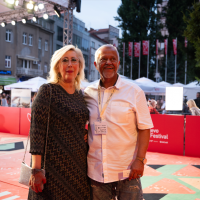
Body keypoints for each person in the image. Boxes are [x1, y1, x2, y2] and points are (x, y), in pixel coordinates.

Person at [84, 44, 153, 200]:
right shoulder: (87, 93)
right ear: (95, 65)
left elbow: (145, 128)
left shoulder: (134, 91)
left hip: (127, 169)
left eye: (113, 59)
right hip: (96, 170)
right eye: (103, 59)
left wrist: (140, 160)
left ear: (118, 63)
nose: (108, 62)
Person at [28, 45, 90, 200]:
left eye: (74, 60)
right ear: (57, 66)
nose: (70, 64)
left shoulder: (80, 95)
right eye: (65, 60)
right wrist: (36, 170)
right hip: (52, 168)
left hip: (78, 167)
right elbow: (37, 131)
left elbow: (78, 122)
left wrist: (87, 133)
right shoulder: (47, 91)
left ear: (79, 66)